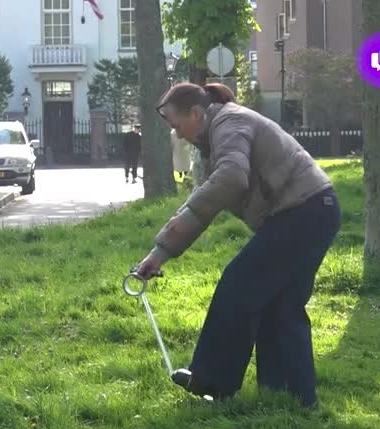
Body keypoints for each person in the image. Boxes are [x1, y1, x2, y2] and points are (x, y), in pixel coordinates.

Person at [133, 82, 341, 408]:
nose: (178, 135)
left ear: (197, 113)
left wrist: (161, 249)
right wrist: (160, 253)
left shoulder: (229, 123)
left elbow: (230, 178)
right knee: (281, 305)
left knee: (238, 285)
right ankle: (288, 398)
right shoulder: (220, 133)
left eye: (177, 125)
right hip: (316, 210)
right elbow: (206, 206)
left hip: (303, 212)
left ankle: (212, 382)